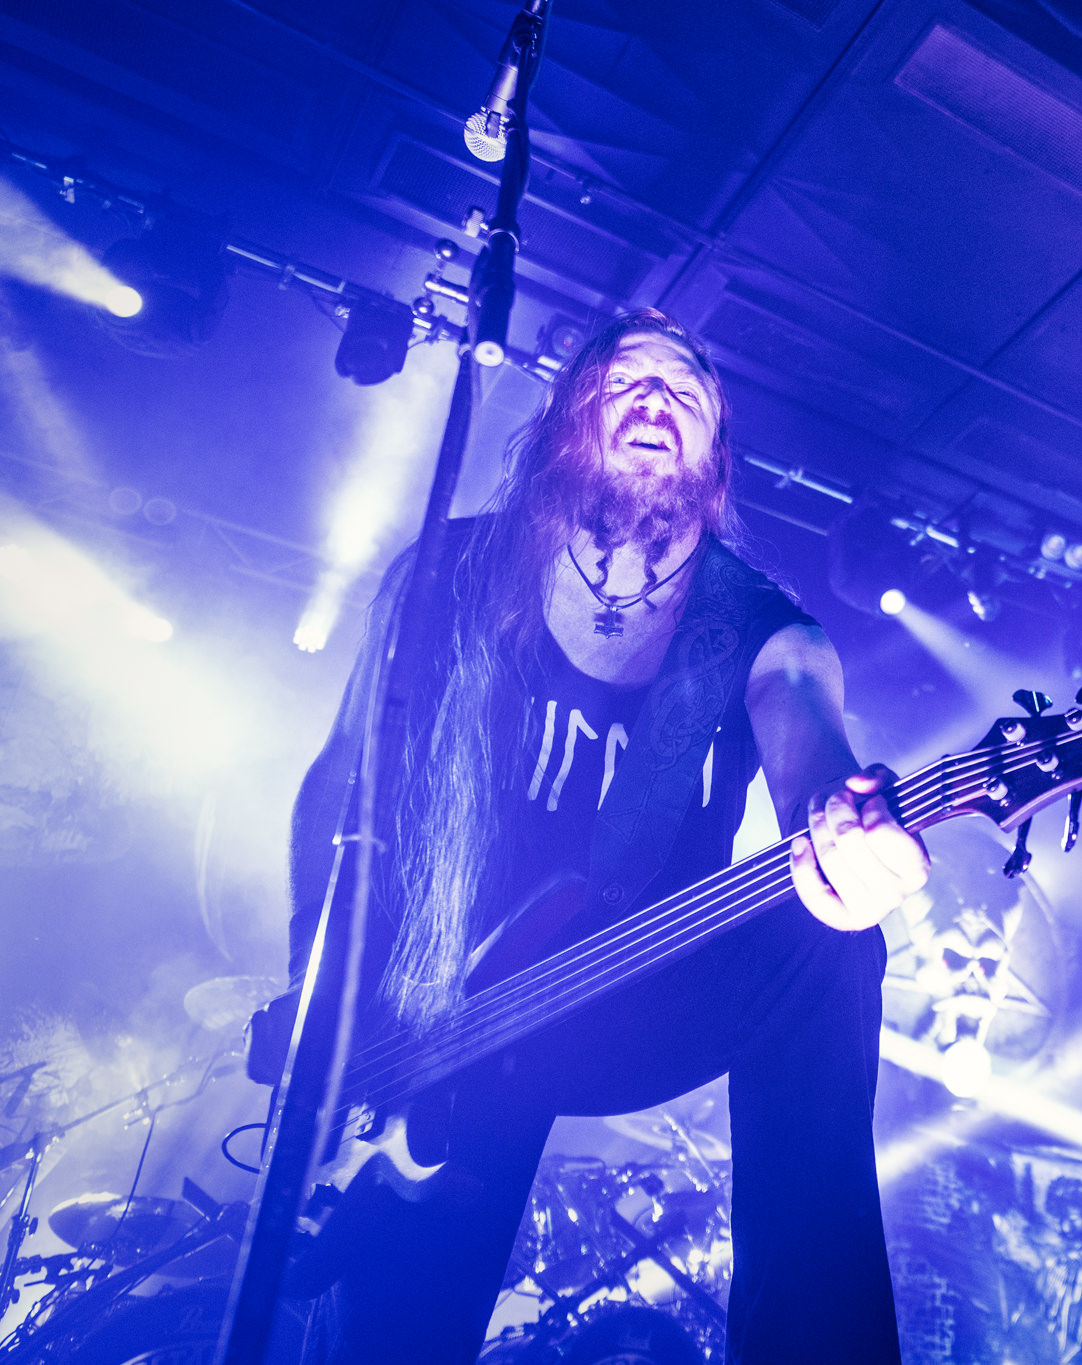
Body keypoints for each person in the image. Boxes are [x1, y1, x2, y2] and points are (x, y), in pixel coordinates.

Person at [253, 308, 929, 1364]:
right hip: (443, 1012)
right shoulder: (447, 570)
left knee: (824, 938)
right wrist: (317, 987)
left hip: (631, 991)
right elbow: (342, 778)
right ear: (569, 415)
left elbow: (810, 744)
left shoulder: (761, 627)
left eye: (686, 391)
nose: (657, 398)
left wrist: (845, 827)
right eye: (626, 382)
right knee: (391, 1330)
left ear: (714, 453)